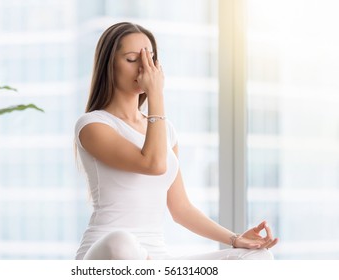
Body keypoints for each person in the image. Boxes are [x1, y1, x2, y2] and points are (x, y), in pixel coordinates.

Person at [74, 22, 278, 260]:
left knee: (258, 258)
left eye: (150, 59)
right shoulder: (92, 125)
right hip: (108, 254)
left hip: (158, 259)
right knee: (122, 242)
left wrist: (235, 239)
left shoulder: (165, 131)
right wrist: (156, 94)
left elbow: (181, 209)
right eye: (132, 59)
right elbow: (153, 164)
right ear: (109, 65)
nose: (144, 69)